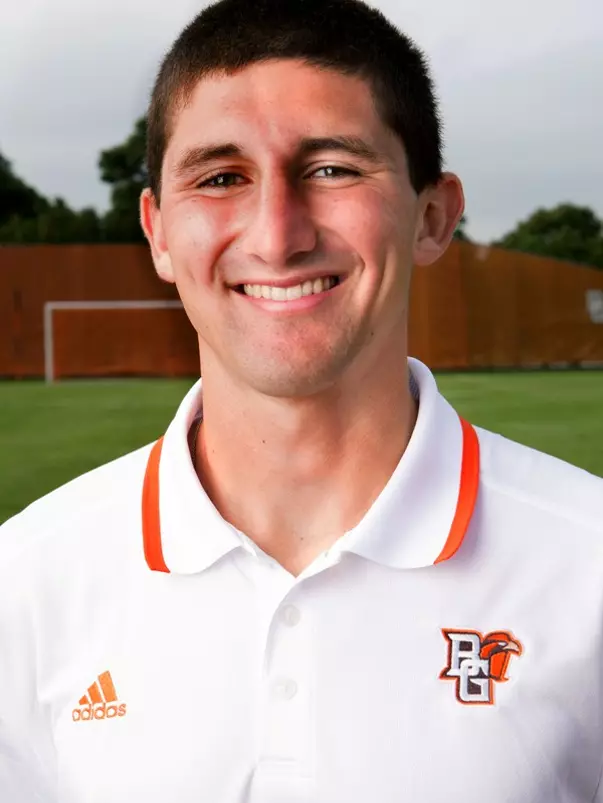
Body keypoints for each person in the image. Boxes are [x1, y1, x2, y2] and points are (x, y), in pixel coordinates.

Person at [1, 0, 602, 801]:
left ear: (432, 216)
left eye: (331, 169)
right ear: (158, 234)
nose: (277, 235)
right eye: (220, 178)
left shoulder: (587, 564)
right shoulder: (25, 581)